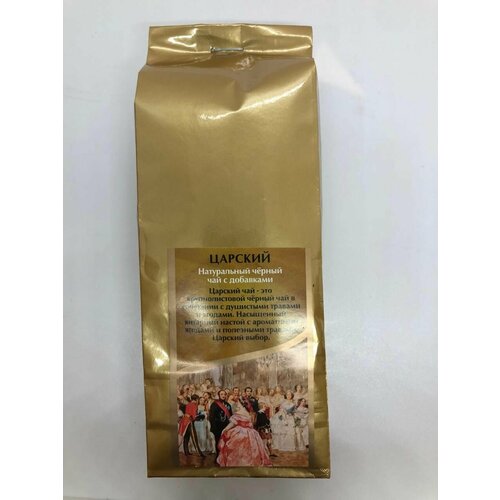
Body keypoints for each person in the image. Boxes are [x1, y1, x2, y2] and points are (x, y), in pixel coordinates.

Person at [217, 401, 272, 467]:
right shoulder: (249, 413)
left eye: (239, 405)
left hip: (243, 433)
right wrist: (226, 429)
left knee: (243, 449)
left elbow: (233, 423)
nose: (238, 406)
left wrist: (225, 429)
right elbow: (251, 424)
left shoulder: (242, 413)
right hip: (249, 433)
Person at [208, 389, 233, 460]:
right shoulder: (214, 404)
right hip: (217, 426)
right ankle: (218, 456)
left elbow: (231, 416)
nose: (223, 395)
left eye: (224, 394)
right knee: (218, 441)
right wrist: (213, 426)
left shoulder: (228, 405)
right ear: (219, 395)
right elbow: (211, 417)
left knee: (226, 441)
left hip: (226, 426)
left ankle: (225, 457)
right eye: (221, 394)